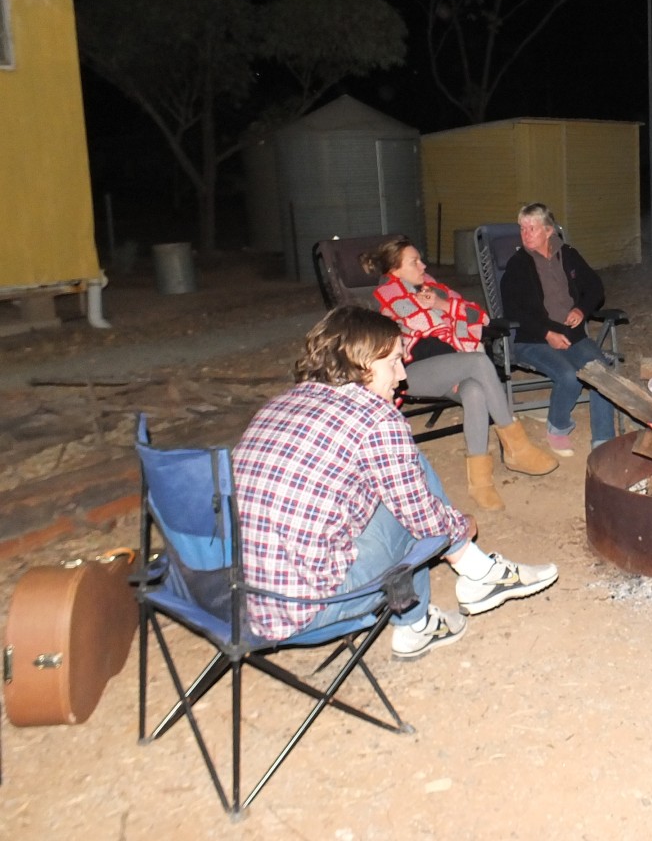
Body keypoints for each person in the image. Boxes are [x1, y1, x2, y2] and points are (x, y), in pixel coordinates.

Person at [232, 306, 558, 661]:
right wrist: (458, 528)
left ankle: (459, 588)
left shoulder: (281, 404)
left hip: (241, 599)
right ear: (361, 363)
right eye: (393, 363)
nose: (402, 376)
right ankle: (463, 586)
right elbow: (422, 518)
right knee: (416, 507)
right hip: (310, 607)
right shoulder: (375, 417)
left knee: (398, 478)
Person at [362, 237, 555, 513]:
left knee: (474, 390)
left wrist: (442, 305)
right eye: (414, 262)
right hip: (411, 372)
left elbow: (481, 317)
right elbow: (421, 321)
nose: (423, 265)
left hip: (450, 366)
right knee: (478, 362)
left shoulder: (433, 288)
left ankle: (480, 483)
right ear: (395, 269)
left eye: (421, 260)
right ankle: (517, 447)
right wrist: (445, 312)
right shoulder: (388, 293)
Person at [500, 203, 620, 455]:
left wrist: (581, 310)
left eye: (532, 228)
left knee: (601, 373)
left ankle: (603, 441)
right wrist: (547, 333)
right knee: (568, 375)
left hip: (572, 335)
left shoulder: (568, 254)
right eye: (522, 228)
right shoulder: (517, 265)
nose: (525, 234)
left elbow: (595, 287)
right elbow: (513, 310)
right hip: (532, 339)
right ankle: (558, 427)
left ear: (548, 231)